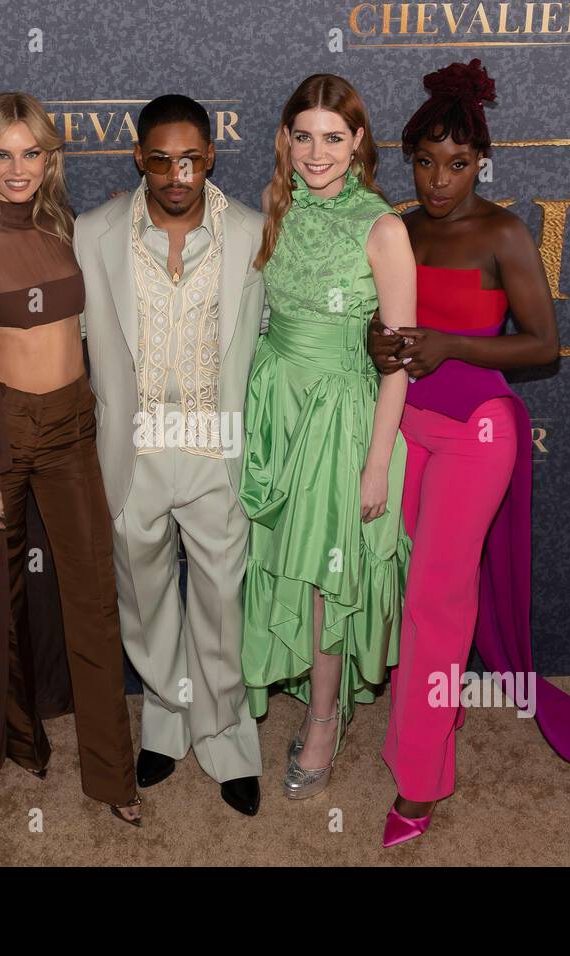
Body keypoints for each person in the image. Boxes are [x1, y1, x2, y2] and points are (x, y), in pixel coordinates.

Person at [368, 59, 570, 847]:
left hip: (479, 435)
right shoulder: (397, 227)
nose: (439, 180)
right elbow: (391, 332)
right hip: (404, 426)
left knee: (437, 600)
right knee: (405, 587)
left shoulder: (502, 231)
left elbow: (544, 345)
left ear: (481, 163)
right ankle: (427, 711)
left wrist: (451, 345)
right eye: (426, 162)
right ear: (410, 160)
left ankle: (421, 783)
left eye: (457, 164)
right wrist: (380, 342)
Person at [0, 92, 142, 826]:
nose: (17, 168)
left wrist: (121, 208)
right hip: (5, 434)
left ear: (50, 159)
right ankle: (19, 738)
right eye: (2, 154)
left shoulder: (67, 230)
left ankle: (113, 778)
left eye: (31, 153)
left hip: (71, 428)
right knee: (3, 596)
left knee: (92, 600)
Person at [72, 95, 264, 816]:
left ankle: (226, 737)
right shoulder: (92, 235)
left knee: (221, 600)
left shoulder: (252, 233)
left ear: (210, 156)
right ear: (139, 160)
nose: (177, 173)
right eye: (161, 159)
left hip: (217, 448)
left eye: (190, 158)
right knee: (144, 601)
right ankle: (166, 722)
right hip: (133, 447)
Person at [241, 74, 415, 801]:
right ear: (286, 140)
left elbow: (400, 356)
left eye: (333, 139)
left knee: (323, 578)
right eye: (303, 136)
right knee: (277, 557)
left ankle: (322, 720)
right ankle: (308, 695)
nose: (317, 153)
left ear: (359, 145)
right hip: (275, 401)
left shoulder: (384, 227)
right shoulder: (272, 209)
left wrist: (377, 463)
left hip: (342, 414)